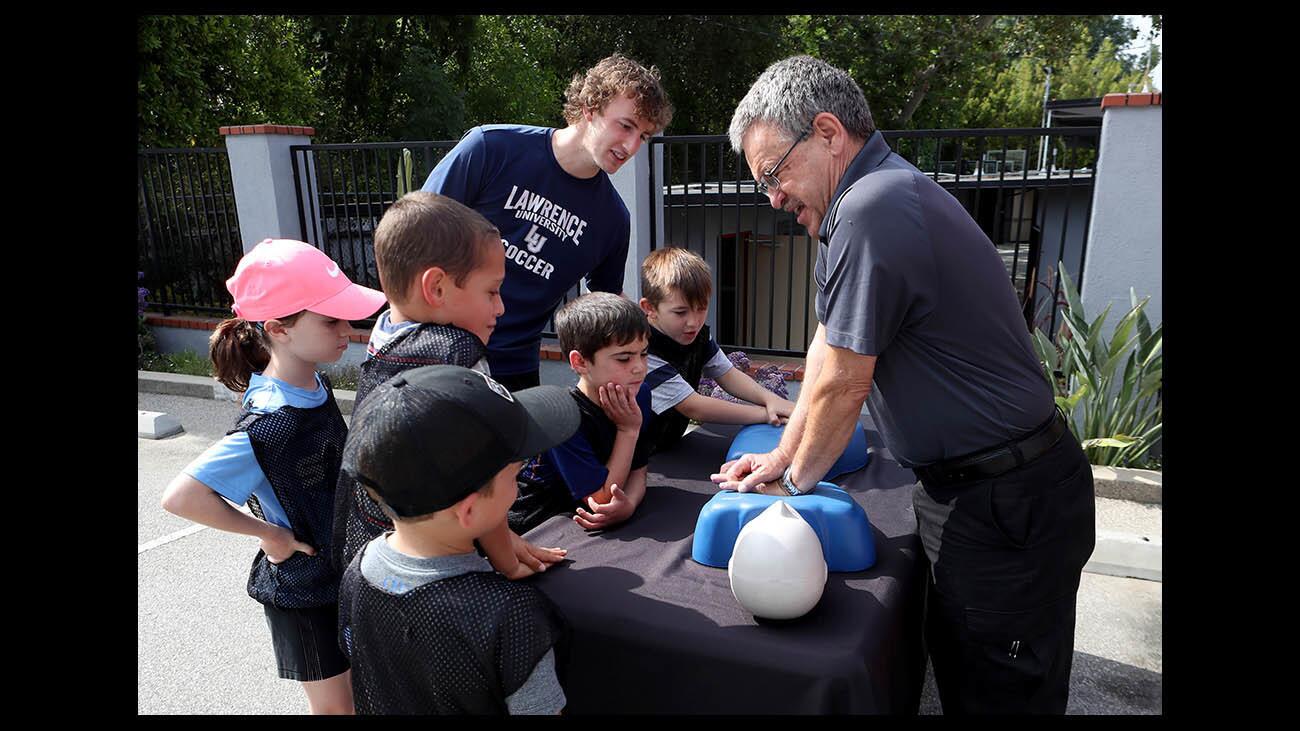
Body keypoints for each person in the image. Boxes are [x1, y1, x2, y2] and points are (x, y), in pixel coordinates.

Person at [713, 55, 1096, 715]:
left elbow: (842, 387)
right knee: (964, 675)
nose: (773, 198)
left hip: (1005, 500)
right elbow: (826, 350)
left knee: (997, 697)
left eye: (774, 174)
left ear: (828, 132)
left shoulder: (872, 206)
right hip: (986, 493)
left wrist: (792, 492)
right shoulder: (861, 206)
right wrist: (780, 461)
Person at [160, 238, 388, 715]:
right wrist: (270, 535)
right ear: (277, 329)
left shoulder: (313, 384)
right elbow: (181, 496)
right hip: (303, 591)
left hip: (337, 571)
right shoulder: (268, 422)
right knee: (334, 710)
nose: (347, 330)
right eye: (330, 321)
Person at [331, 192, 567, 580]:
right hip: (440, 561)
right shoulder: (460, 356)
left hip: (377, 546)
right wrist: (507, 559)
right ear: (437, 287)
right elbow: (482, 471)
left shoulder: (385, 337)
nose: (501, 307)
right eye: (492, 291)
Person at [421, 53, 673, 392]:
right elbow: (416, 232)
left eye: (643, 136)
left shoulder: (613, 220)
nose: (631, 146)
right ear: (589, 107)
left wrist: (657, 324)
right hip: (436, 352)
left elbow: (604, 303)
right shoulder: (490, 148)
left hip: (515, 372)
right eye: (626, 125)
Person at [337, 364, 580, 714]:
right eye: (516, 474)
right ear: (468, 512)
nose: (519, 482)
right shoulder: (511, 617)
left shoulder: (359, 568)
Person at [510, 292, 655, 534]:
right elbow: (602, 499)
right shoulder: (560, 415)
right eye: (624, 358)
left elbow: (639, 469)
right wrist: (627, 430)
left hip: (576, 522)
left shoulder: (639, 394)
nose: (639, 367)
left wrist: (629, 503)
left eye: (643, 353)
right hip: (533, 524)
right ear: (580, 362)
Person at [638, 246, 795, 454]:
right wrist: (766, 414)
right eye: (680, 312)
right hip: (638, 456)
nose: (693, 322)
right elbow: (693, 407)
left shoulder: (697, 335)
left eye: (701, 308)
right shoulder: (640, 349)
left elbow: (727, 374)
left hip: (671, 444)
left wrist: (772, 400)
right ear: (649, 308)